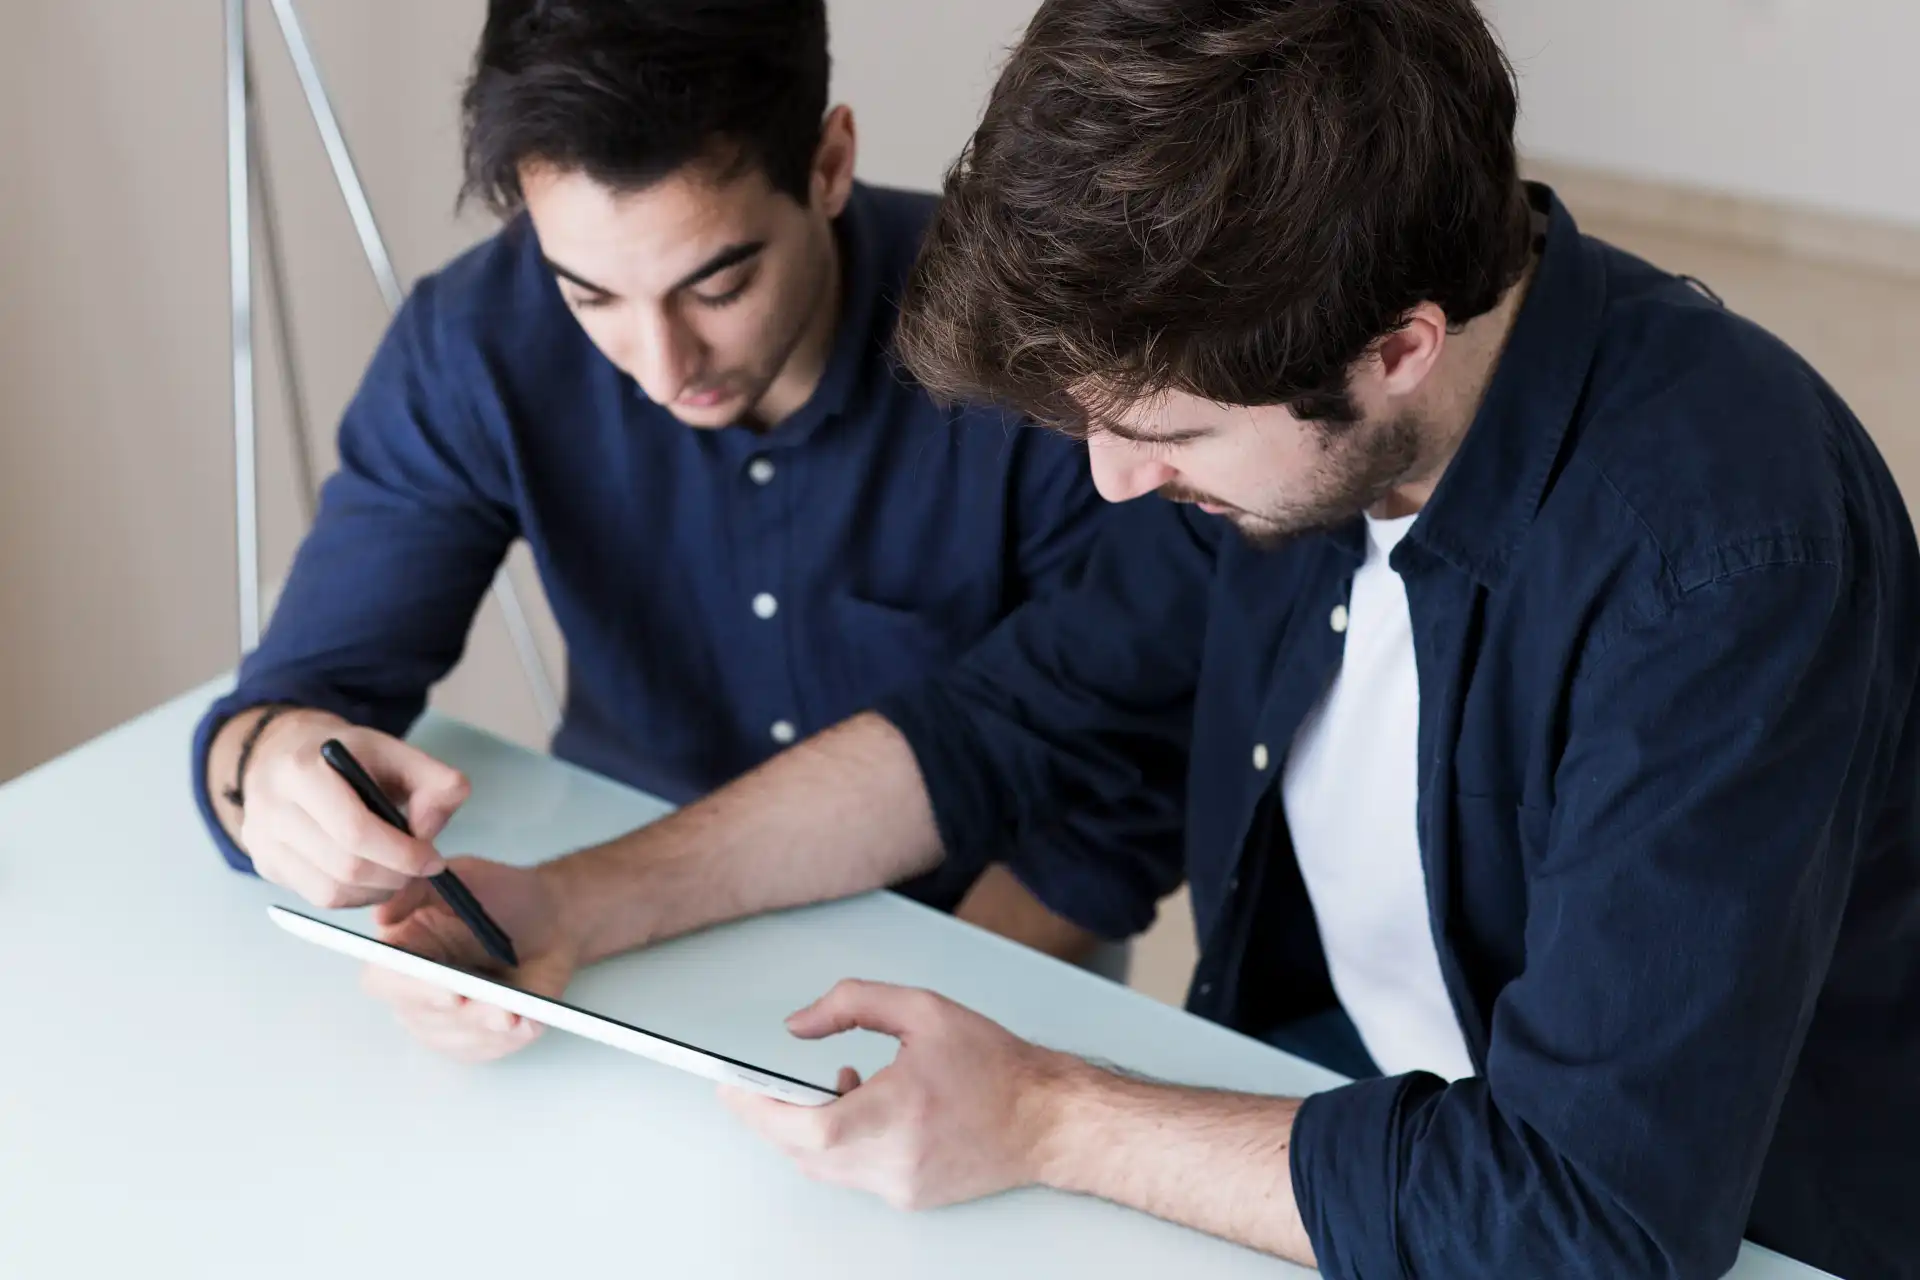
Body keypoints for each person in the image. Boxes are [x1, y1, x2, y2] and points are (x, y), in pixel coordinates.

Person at [355, 1, 1920, 1277]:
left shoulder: (1725, 556)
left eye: (1161, 430)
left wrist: (1044, 1116)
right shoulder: (1275, 405)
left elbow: (1593, 1220)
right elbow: (1004, 722)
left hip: (1711, 1216)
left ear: (1396, 351)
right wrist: (572, 904)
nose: (1113, 479)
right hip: (1344, 1079)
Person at [191, 0, 1146, 968]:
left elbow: (1130, 777)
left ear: (827, 165)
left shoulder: (1030, 350)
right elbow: (303, 689)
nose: (660, 364)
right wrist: (271, 771)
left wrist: (946, 1008)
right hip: (600, 934)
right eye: (589, 295)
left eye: (718, 286)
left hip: (977, 947)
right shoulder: (479, 345)